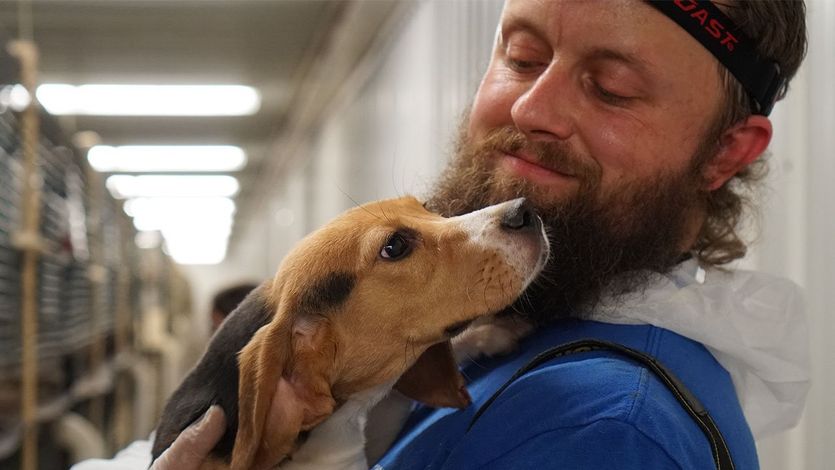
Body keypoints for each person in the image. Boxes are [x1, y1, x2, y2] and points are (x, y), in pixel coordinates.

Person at [78, 0, 810, 468]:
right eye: (520, 56)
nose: (531, 106)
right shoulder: (496, 343)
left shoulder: (604, 434)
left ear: (725, 152)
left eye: (610, 87)